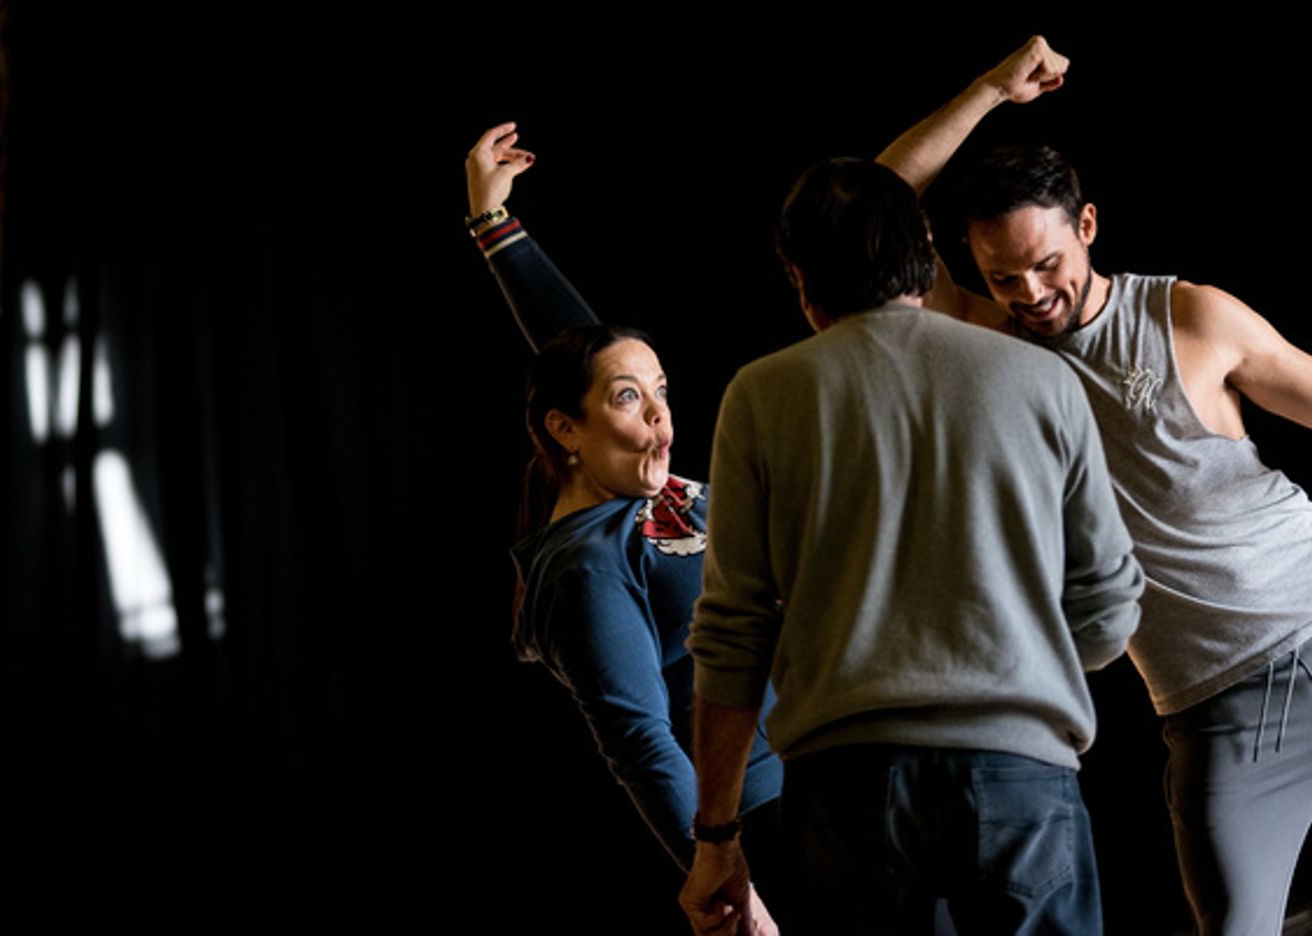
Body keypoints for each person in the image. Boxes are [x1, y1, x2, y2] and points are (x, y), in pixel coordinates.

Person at [877, 35, 1312, 935]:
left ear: (1088, 227)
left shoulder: (1190, 315)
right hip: (1218, 708)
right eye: (1001, 276)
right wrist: (991, 90)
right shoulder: (987, 345)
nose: (1030, 293)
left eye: (1047, 265)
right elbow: (871, 208)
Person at [677, 154, 1144, 935]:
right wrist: (1022, 653)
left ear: (799, 277)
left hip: (847, 793)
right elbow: (1108, 609)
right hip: (1022, 783)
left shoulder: (762, 396)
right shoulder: (1041, 381)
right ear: (925, 248)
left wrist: (717, 839)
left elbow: (732, 636)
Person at [465, 124, 783, 927]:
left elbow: (583, 358)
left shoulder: (648, 485)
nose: (662, 423)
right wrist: (731, 885)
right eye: (630, 404)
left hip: (840, 785)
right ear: (566, 432)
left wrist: (495, 227)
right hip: (770, 827)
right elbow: (642, 743)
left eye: (661, 393)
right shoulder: (583, 566)